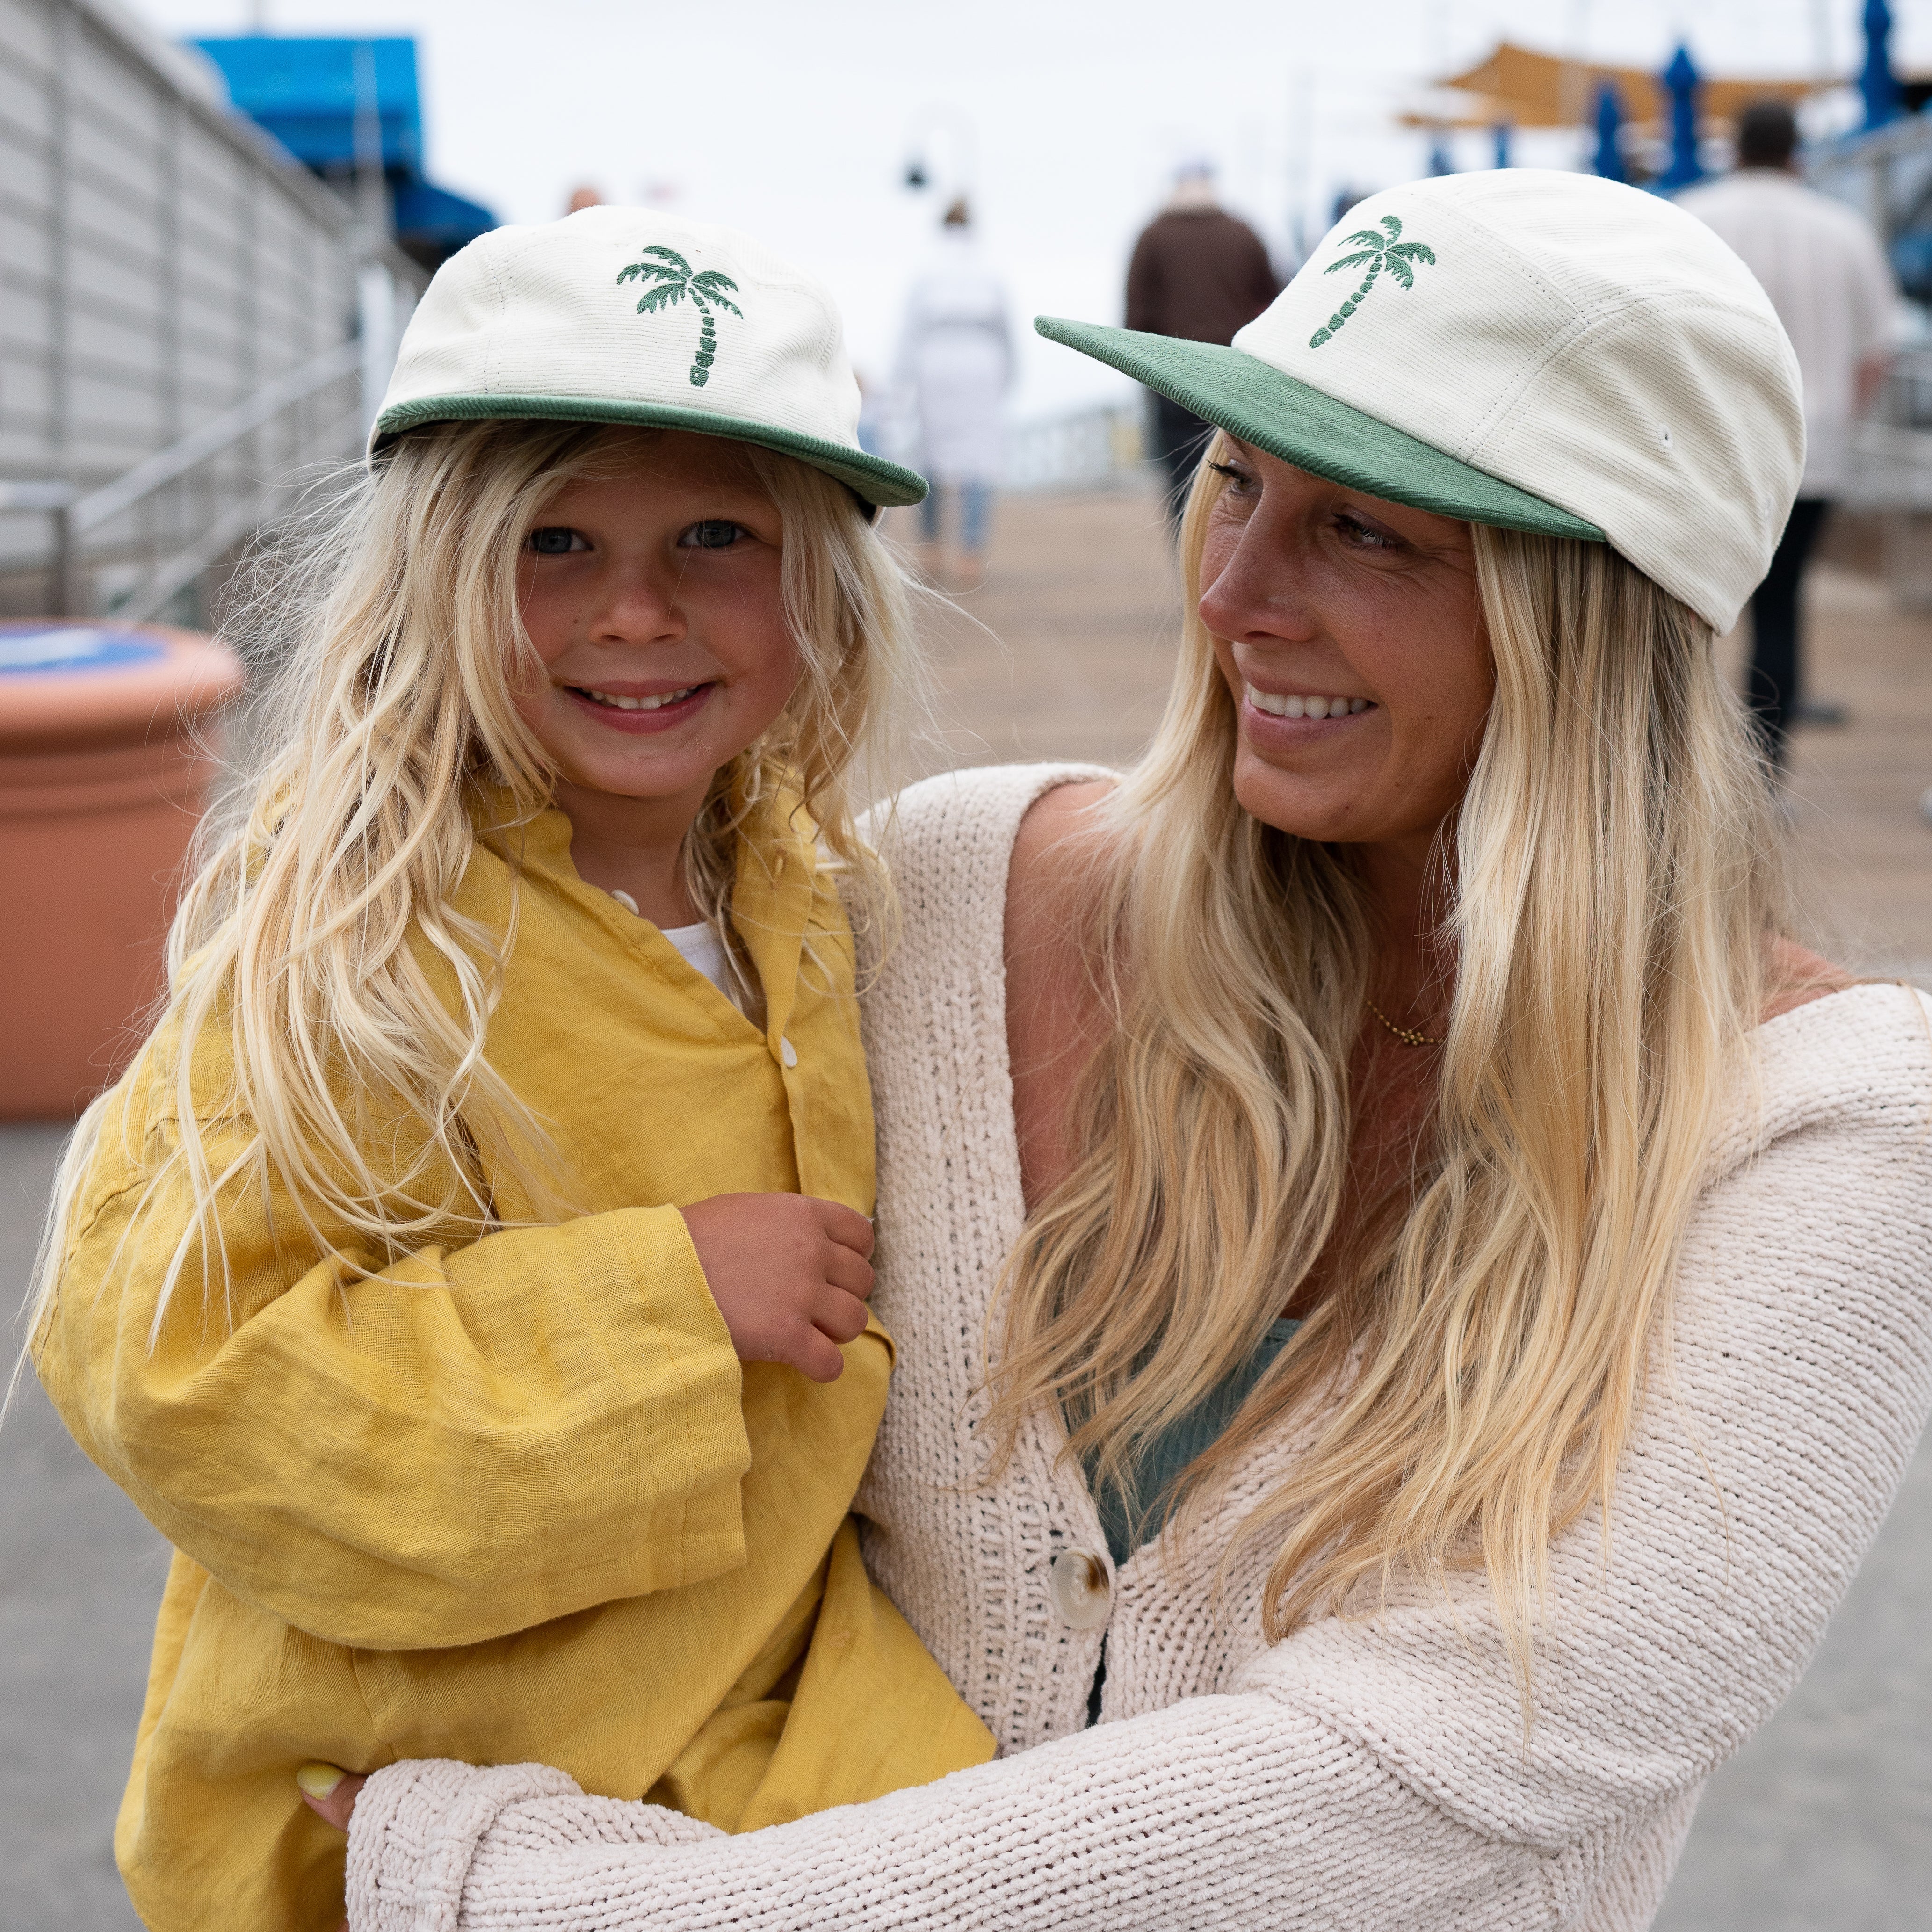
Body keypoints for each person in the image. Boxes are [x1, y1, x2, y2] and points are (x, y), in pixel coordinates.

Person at [310, 173, 1932, 1932]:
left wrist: (535, 1895)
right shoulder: (946, 890)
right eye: (1232, 479)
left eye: (1363, 533)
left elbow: (1430, 1759)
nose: (1235, 590)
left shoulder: (1822, 1133)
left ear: (1593, 613)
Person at [24, 207, 995, 1932]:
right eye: (555, 543)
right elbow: (185, 1380)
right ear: (439, 570)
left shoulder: (806, 890)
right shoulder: (358, 943)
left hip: (763, 1690)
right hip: (427, 1774)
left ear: (819, 582)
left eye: (715, 536)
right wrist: (665, 1297)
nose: (635, 611)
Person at [1678, 98, 1899, 769]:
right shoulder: (1843, 229)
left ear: (1732, 147)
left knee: (1679, 617)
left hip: (1707, 453)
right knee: (1779, 609)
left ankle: (1676, 771)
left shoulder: (1693, 217)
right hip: (1814, 451)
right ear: (1794, 152)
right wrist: (1841, 421)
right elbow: (1876, 350)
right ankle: (1764, 777)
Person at [1124, 159, 1280, 521]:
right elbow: (1274, 303)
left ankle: (1189, 562)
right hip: (1236, 375)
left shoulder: (1152, 236)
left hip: (1172, 377)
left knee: (1182, 479)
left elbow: (1135, 319)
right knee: (1239, 475)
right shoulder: (1244, 233)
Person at [897, 198, 1013, 589]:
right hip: (982, 364)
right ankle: (971, 550)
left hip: (935, 362)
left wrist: (901, 382)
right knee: (979, 460)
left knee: (930, 455)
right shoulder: (989, 270)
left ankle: (930, 547)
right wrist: (1008, 377)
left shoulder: (926, 270)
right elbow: (1006, 332)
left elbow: (909, 332)